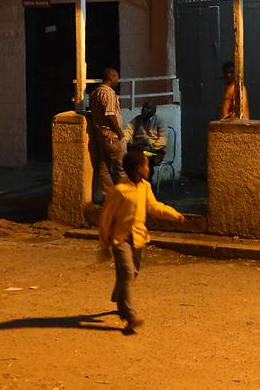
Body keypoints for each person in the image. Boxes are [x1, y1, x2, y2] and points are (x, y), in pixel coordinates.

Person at [98, 151, 186, 332]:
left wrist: (174, 214)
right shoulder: (120, 191)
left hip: (138, 237)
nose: (149, 168)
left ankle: (120, 294)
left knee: (132, 272)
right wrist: (104, 242)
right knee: (128, 273)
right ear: (139, 169)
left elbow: (153, 207)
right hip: (120, 239)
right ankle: (129, 315)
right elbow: (106, 218)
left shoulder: (144, 186)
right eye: (146, 165)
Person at [89, 68, 127, 200]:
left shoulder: (94, 93)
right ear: (111, 77)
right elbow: (110, 115)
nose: (118, 80)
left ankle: (110, 198)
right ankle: (125, 199)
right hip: (112, 136)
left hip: (101, 136)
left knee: (103, 168)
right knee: (122, 169)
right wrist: (120, 134)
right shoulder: (109, 93)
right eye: (116, 77)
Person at [124, 101, 168, 179]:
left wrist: (151, 147)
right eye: (143, 107)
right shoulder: (137, 119)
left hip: (154, 151)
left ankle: (147, 183)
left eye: (147, 108)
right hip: (139, 148)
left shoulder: (160, 121)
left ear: (153, 111)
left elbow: (162, 141)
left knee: (146, 159)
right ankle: (133, 182)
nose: (144, 110)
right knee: (127, 156)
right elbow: (128, 130)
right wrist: (125, 140)